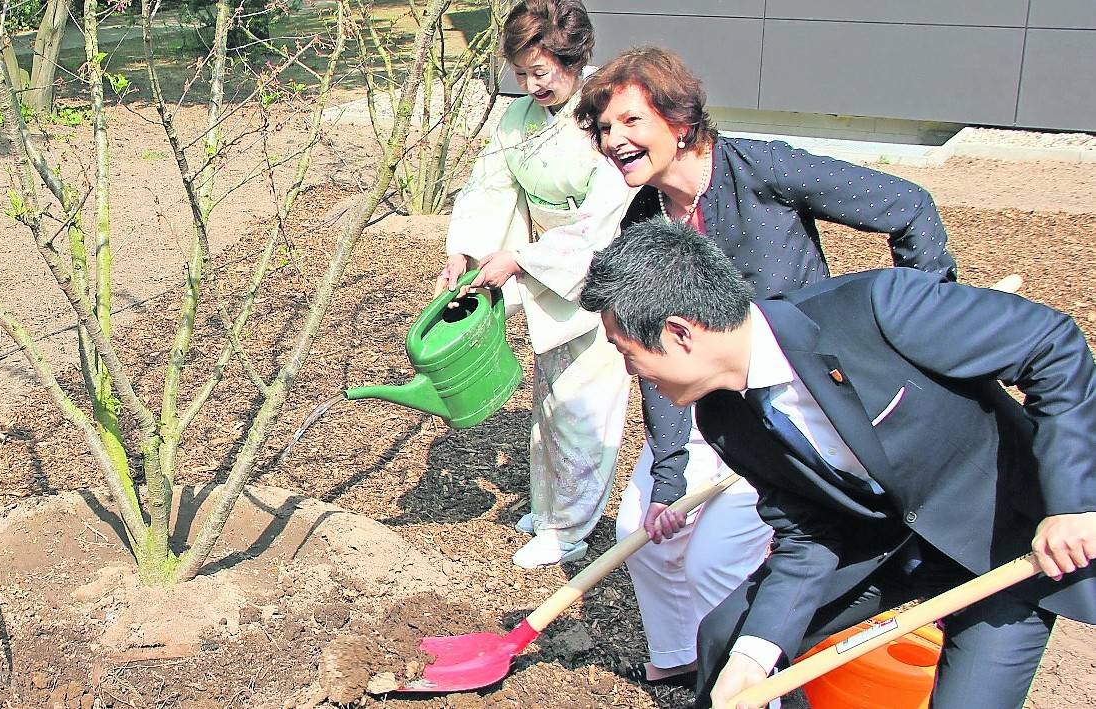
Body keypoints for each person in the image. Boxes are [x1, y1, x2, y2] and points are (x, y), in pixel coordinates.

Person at [578, 217, 1096, 709]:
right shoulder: (723, 418)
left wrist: (1072, 503)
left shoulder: (878, 308)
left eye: (627, 353)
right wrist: (754, 659)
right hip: (881, 547)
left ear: (679, 334)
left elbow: (1053, 347)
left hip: (1009, 543)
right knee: (729, 639)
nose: (631, 371)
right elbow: (807, 535)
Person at [571, 46, 958, 683]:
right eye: (604, 129)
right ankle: (685, 660)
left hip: (795, 398)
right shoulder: (645, 221)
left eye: (630, 122)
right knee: (643, 534)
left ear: (680, 119)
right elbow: (652, 359)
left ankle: (751, 677)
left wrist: (924, 327)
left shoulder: (760, 169)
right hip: (702, 398)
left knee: (717, 564)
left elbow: (908, 206)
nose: (614, 140)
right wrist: (668, 480)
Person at [435, 0, 635, 569]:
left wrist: (521, 259)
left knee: (583, 405)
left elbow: (604, 219)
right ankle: (552, 509)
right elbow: (490, 186)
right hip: (544, 260)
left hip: (600, 270)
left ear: (576, 60)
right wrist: (466, 249)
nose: (529, 85)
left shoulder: (607, 115)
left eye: (540, 72)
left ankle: (571, 528)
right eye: (521, 73)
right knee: (549, 401)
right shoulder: (518, 118)